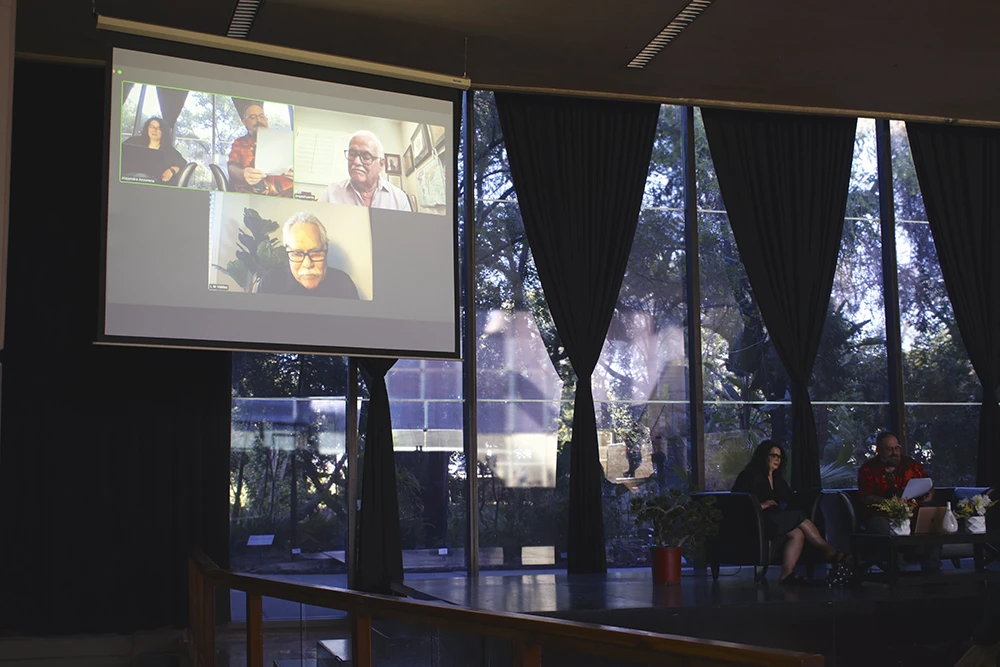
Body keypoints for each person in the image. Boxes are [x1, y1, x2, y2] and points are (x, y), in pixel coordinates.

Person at [733, 440, 848, 585]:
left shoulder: (776, 478)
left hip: (774, 518)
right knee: (799, 516)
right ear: (763, 456)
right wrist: (761, 505)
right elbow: (737, 500)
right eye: (773, 455)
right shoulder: (749, 475)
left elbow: (790, 498)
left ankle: (786, 574)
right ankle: (827, 550)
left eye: (779, 457)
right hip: (758, 520)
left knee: (797, 533)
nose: (777, 459)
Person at [857, 430, 941, 572]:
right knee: (882, 526)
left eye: (897, 448)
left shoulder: (910, 466)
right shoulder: (867, 469)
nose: (894, 453)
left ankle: (932, 570)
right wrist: (890, 504)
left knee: (932, 520)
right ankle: (898, 571)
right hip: (881, 513)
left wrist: (929, 493)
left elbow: (928, 483)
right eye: (889, 449)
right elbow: (866, 496)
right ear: (878, 450)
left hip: (911, 511)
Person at [257, 212, 359, 299]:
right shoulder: (270, 283)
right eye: (297, 254)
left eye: (315, 253)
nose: (307, 264)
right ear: (287, 251)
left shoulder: (343, 284)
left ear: (326, 249)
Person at [319, 130, 412, 211]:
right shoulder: (331, 194)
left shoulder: (399, 199)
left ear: (381, 164)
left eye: (366, 157)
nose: (356, 162)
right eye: (352, 154)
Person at [227, 103, 293, 197]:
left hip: (286, 193)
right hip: (251, 195)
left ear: (267, 120)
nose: (258, 120)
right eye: (252, 117)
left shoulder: (284, 139)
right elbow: (231, 166)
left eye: (261, 116)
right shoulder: (239, 143)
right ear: (244, 122)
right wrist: (242, 174)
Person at [123, 117, 186, 184]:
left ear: (163, 132)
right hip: (128, 177)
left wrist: (172, 170)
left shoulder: (169, 150)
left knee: (141, 176)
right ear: (147, 128)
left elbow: (182, 163)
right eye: (152, 127)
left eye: (159, 128)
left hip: (153, 182)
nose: (154, 130)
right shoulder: (133, 141)